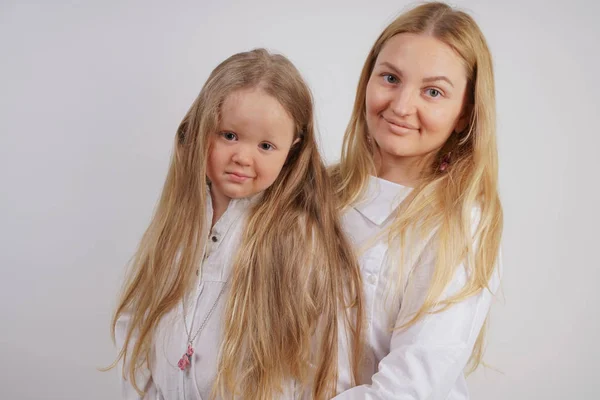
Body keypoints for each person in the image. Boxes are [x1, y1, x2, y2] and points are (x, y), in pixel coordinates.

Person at [110, 48, 363, 400]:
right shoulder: (177, 224)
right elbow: (137, 330)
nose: (243, 157)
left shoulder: (299, 240)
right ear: (201, 129)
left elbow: (325, 364)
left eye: (265, 145)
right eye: (229, 135)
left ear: (292, 148)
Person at [330, 2, 503, 398]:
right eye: (390, 78)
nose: (402, 106)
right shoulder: (315, 192)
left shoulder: (461, 225)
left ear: (464, 113)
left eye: (433, 91)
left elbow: (407, 388)